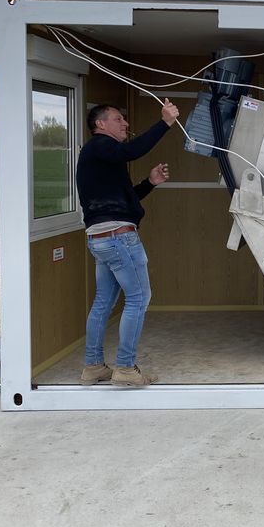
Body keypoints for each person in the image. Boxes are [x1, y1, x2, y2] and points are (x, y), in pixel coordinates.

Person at [76, 98, 180, 387]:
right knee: (138, 298)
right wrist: (165, 122)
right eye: (118, 119)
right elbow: (132, 151)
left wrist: (150, 182)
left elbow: (123, 202)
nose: (125, 123)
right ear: (100, 124)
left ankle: (93, 366)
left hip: (102, 239)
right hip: (118, 238)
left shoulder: (100, 156)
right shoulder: (100, 145)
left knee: (103, 302)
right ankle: (125, 368)